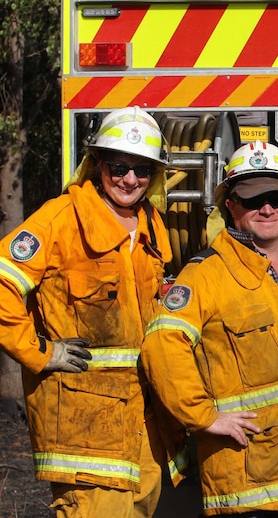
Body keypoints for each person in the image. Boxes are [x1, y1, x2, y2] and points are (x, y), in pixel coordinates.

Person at [141, 141, 278, 517]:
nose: (266, 208)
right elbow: (161, 346)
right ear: (230, 206)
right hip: (246, 484)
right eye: (252, 200)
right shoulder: (205, 275)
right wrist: (204, 416)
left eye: (276, 197)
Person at [0, 107, 171, 517]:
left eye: (142, 169)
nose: (130, 179)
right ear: (97, 163)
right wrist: (42, 352)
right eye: (119, 166)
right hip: (84, 434)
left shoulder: (152, 225)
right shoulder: (60, 220)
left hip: (142, 430)